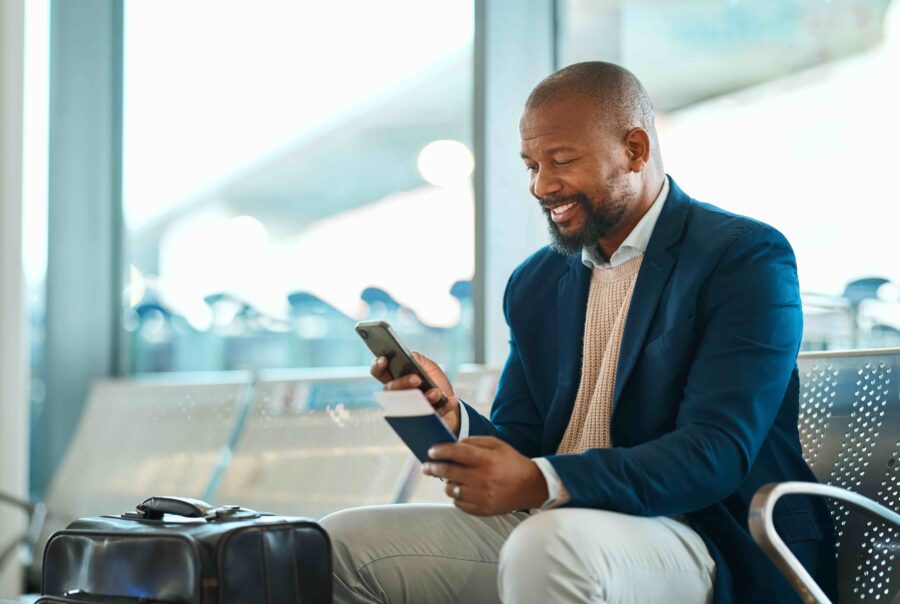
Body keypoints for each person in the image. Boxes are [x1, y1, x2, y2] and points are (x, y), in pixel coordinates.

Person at [321, 61, 835, 604]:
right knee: (339, 542)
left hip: (706, 533)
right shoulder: (537, 283)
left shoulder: (741, 257)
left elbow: (714, 453)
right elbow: (525, 440)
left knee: (548, 544)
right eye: (531, 165)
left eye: (562, 161)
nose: (542, 185)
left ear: (635, 149)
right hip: (558, 527)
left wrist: (543, 481)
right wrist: (452, 415)